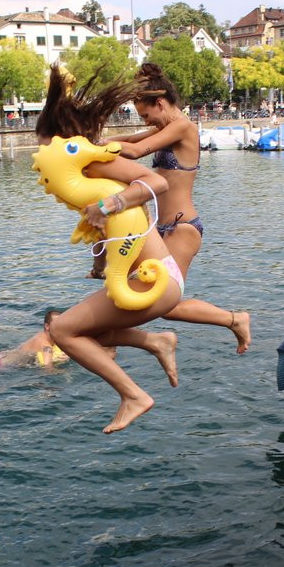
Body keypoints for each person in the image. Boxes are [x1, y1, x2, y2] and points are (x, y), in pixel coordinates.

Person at [37, 65, 183, 433]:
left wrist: (107, 206)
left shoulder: (97, 161)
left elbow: (155, 183)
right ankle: (157, 342)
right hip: (151, 278)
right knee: (89, 336)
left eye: (42, 141)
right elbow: (111, 228)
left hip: (156, 282)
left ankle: (134, 396)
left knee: (62, 331)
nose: (40, 151)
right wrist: (101, 262)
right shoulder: (85, 175)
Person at [105, 63, 252, 353]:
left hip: (182, 228)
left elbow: (134, 151)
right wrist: (91, 141)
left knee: (163, 302)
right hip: (163, 229)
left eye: (148, 115)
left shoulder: (183, 127)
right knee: (143, 294)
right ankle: (113, 341)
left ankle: (235, 319)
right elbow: (130, 139)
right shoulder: (167, 127)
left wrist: (96, 148)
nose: (149, 122)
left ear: (160, 103)